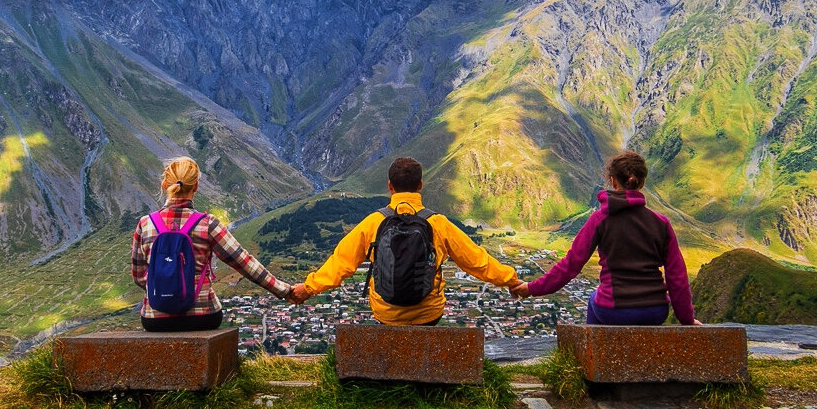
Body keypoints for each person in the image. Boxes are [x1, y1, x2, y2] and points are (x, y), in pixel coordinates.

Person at [287, 156, 527, 325]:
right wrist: (511, 280)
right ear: (420, 186)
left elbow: (341, 263)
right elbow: (476, 261)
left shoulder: (373, 222)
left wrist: (308, 288)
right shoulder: (438, 224)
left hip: (386, 314)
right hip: (428, 314)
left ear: (390, 186)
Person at [512, 151, 699, 326]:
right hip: (655, 310)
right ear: (642, 183)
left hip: (613, 309)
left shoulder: (600, 219)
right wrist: (687, 320)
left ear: (612, 181)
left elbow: (571, 265)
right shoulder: (661, 223)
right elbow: (677, 277)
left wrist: (532, 288)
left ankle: (593, 357)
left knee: (595, 300)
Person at [131, 156, 293, 331]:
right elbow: (244, 263)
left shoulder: (145, 224)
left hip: (155, 318)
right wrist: (285, 291)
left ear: (165, 185)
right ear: (196, 187)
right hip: (202, 316)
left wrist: (166, 291)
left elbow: (139, 276)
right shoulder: (207, 223)